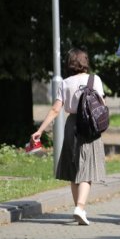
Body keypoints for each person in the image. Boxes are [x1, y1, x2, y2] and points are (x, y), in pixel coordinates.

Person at [31, 48, 106, 225]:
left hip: (72, 124)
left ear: (70, 63)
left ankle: (78, 209)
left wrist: (40, 130)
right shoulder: (95, 79)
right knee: (88, 169)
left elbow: (56, 109)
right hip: (89, 126)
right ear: (85, 61)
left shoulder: (64, 83)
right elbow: (101, 104)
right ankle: (80, 207)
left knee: (74, 169)